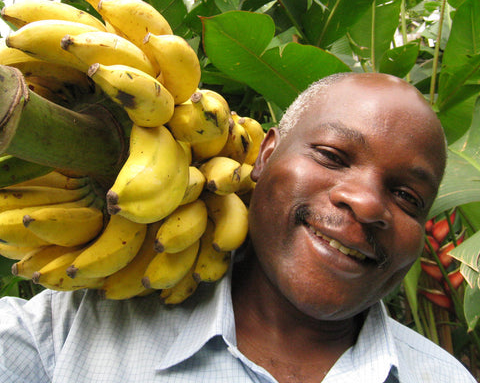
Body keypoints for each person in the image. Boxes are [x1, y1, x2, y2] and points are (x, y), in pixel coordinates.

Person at [0, 72, 476, 383]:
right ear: (266, 156)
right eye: (332, 156)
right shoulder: (74, 332)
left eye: (407, 197)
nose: (368, 203)